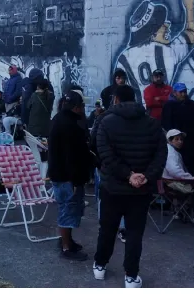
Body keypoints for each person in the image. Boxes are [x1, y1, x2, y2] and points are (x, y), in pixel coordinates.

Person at [93, 85, 167, 288]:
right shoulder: (153, 124)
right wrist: (145, 176)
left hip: (112, 187)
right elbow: (161, 155)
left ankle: (100, 265)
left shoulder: (106, 122)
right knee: (134, 233)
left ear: (115, 99)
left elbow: (104, 154)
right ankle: (131, 277)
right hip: (140, 190)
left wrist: (127, 174)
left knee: (107, 228)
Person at [48, 89, 94, 260]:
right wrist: (75, 179)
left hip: (63, 175)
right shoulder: (68, 125)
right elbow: (71, 155)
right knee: (68, 210)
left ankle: (67, 241)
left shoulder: (60, 120)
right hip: (67, 177)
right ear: (76, 107)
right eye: (81, 105)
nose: (83, 109)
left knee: (68, 209)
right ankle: (66, 246)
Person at [163, 129, 194, 226]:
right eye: (177, 139)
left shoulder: (171, 151)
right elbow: (174, 171)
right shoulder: (171, 153)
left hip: (169, 181)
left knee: (193, 183)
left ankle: (181, 212)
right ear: (170, 140)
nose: (180, 141)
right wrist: (191, 178)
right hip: (170, 182)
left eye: (181, 139)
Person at [161, 83, 194, 176]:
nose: (183, 94)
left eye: (184, 92)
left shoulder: (192, 104)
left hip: (192, 141)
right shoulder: (169, 106)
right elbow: (166, 123)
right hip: (177, 141)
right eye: (181, 92)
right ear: (175, 92)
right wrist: (175, 137)